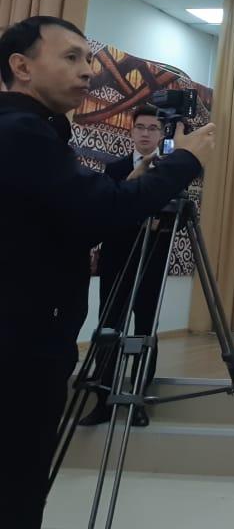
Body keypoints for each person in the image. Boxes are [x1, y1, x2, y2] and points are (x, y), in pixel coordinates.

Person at [0, 16, 216, 529]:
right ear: (21, 66)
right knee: (16, 484)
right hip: (20, 348)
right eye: (71, 57)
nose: (87, 71)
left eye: (89, 59)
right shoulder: (21, 133)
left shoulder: (36, 132)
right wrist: (184, 161)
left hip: (29, 336)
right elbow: (103, 210)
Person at [78, 103, 169, 428]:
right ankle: (102, 401)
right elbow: (108, 210)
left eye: (153, 128)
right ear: (131, 131)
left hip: (152, 262)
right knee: (108, 329)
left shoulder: (170, 171)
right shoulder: (114, 169)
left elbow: (174, 217)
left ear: (162, 134)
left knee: (145, 332)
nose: (145, 134)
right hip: (116, 261)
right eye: (140, 127)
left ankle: (138, 401)